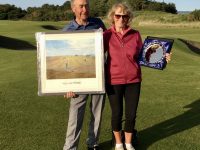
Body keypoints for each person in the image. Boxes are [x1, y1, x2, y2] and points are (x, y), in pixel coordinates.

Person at [103, 3, 171, 150]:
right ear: (112, 17)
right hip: (113, 81)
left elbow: (145, 55)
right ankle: (119, 143)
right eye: (118, 15)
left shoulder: (135, 34)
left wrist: (162, 56)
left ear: (128, 18)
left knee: (131, 115)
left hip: (134, 80)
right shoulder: (106, 35)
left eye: (125, 16)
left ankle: (128, 142)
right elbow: (94, 56)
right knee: (116, 114)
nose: (121, 18)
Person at [62, 0, 106, 150]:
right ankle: (70, 147)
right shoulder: (67, 30)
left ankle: (92, 143)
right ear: (73, 8)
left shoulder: (98, 23)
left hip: (98, 78)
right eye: (81, 6)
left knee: (97, 113)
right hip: (77, 81)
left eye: (86, 5)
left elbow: (108, 46)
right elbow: (65, 61)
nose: (84, 9)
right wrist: (65, 86)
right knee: (75, 116)